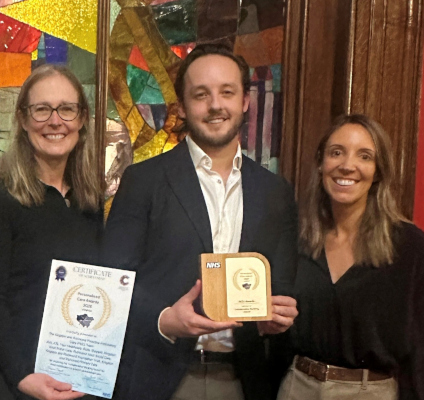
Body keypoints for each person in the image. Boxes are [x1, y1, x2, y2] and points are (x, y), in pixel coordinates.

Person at [101, 43, 299, 400]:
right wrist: (164, 320)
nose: (215, 105)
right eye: (201, 94)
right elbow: (112, 279)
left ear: (245, 101)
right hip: (161, 376)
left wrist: (277, 317)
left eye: (227, 92)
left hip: (244, 380)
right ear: (182, 106)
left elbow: (281, 285)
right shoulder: (143, 181)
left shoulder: (275, 192)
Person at [0, 64, 103, 400]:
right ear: (23, 119)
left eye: (67, 109)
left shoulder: (90, 203)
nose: (55, 121)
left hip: (73, 381)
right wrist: (22, 375)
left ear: (82, 119)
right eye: (42, 109)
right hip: (10, 380)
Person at [277, 114, 424, 400]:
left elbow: (422, 352)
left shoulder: (411, 248)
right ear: (321, 163)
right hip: (298, 387)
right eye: (336, 153)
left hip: (370, 392)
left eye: (364, 156)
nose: (347, 165)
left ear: (379, 171)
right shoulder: (294, 238)